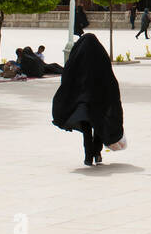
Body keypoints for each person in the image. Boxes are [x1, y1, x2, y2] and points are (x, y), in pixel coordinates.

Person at [51, 33, 125, 167]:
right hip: (99, 100)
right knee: (98, 127)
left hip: (82, 101)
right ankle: (97, 153)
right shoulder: (101, 56)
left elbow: (67, 76)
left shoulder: (77, 56)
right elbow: (110, 77)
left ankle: (88, 156)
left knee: (86, 129)